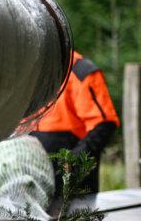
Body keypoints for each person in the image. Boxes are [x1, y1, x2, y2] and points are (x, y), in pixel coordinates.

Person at [31, 49, 120, 197]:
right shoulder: (28, 71)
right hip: (32, 179)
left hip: (73, 186)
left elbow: (104, 124)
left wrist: (72, 163)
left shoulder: (81, 71)